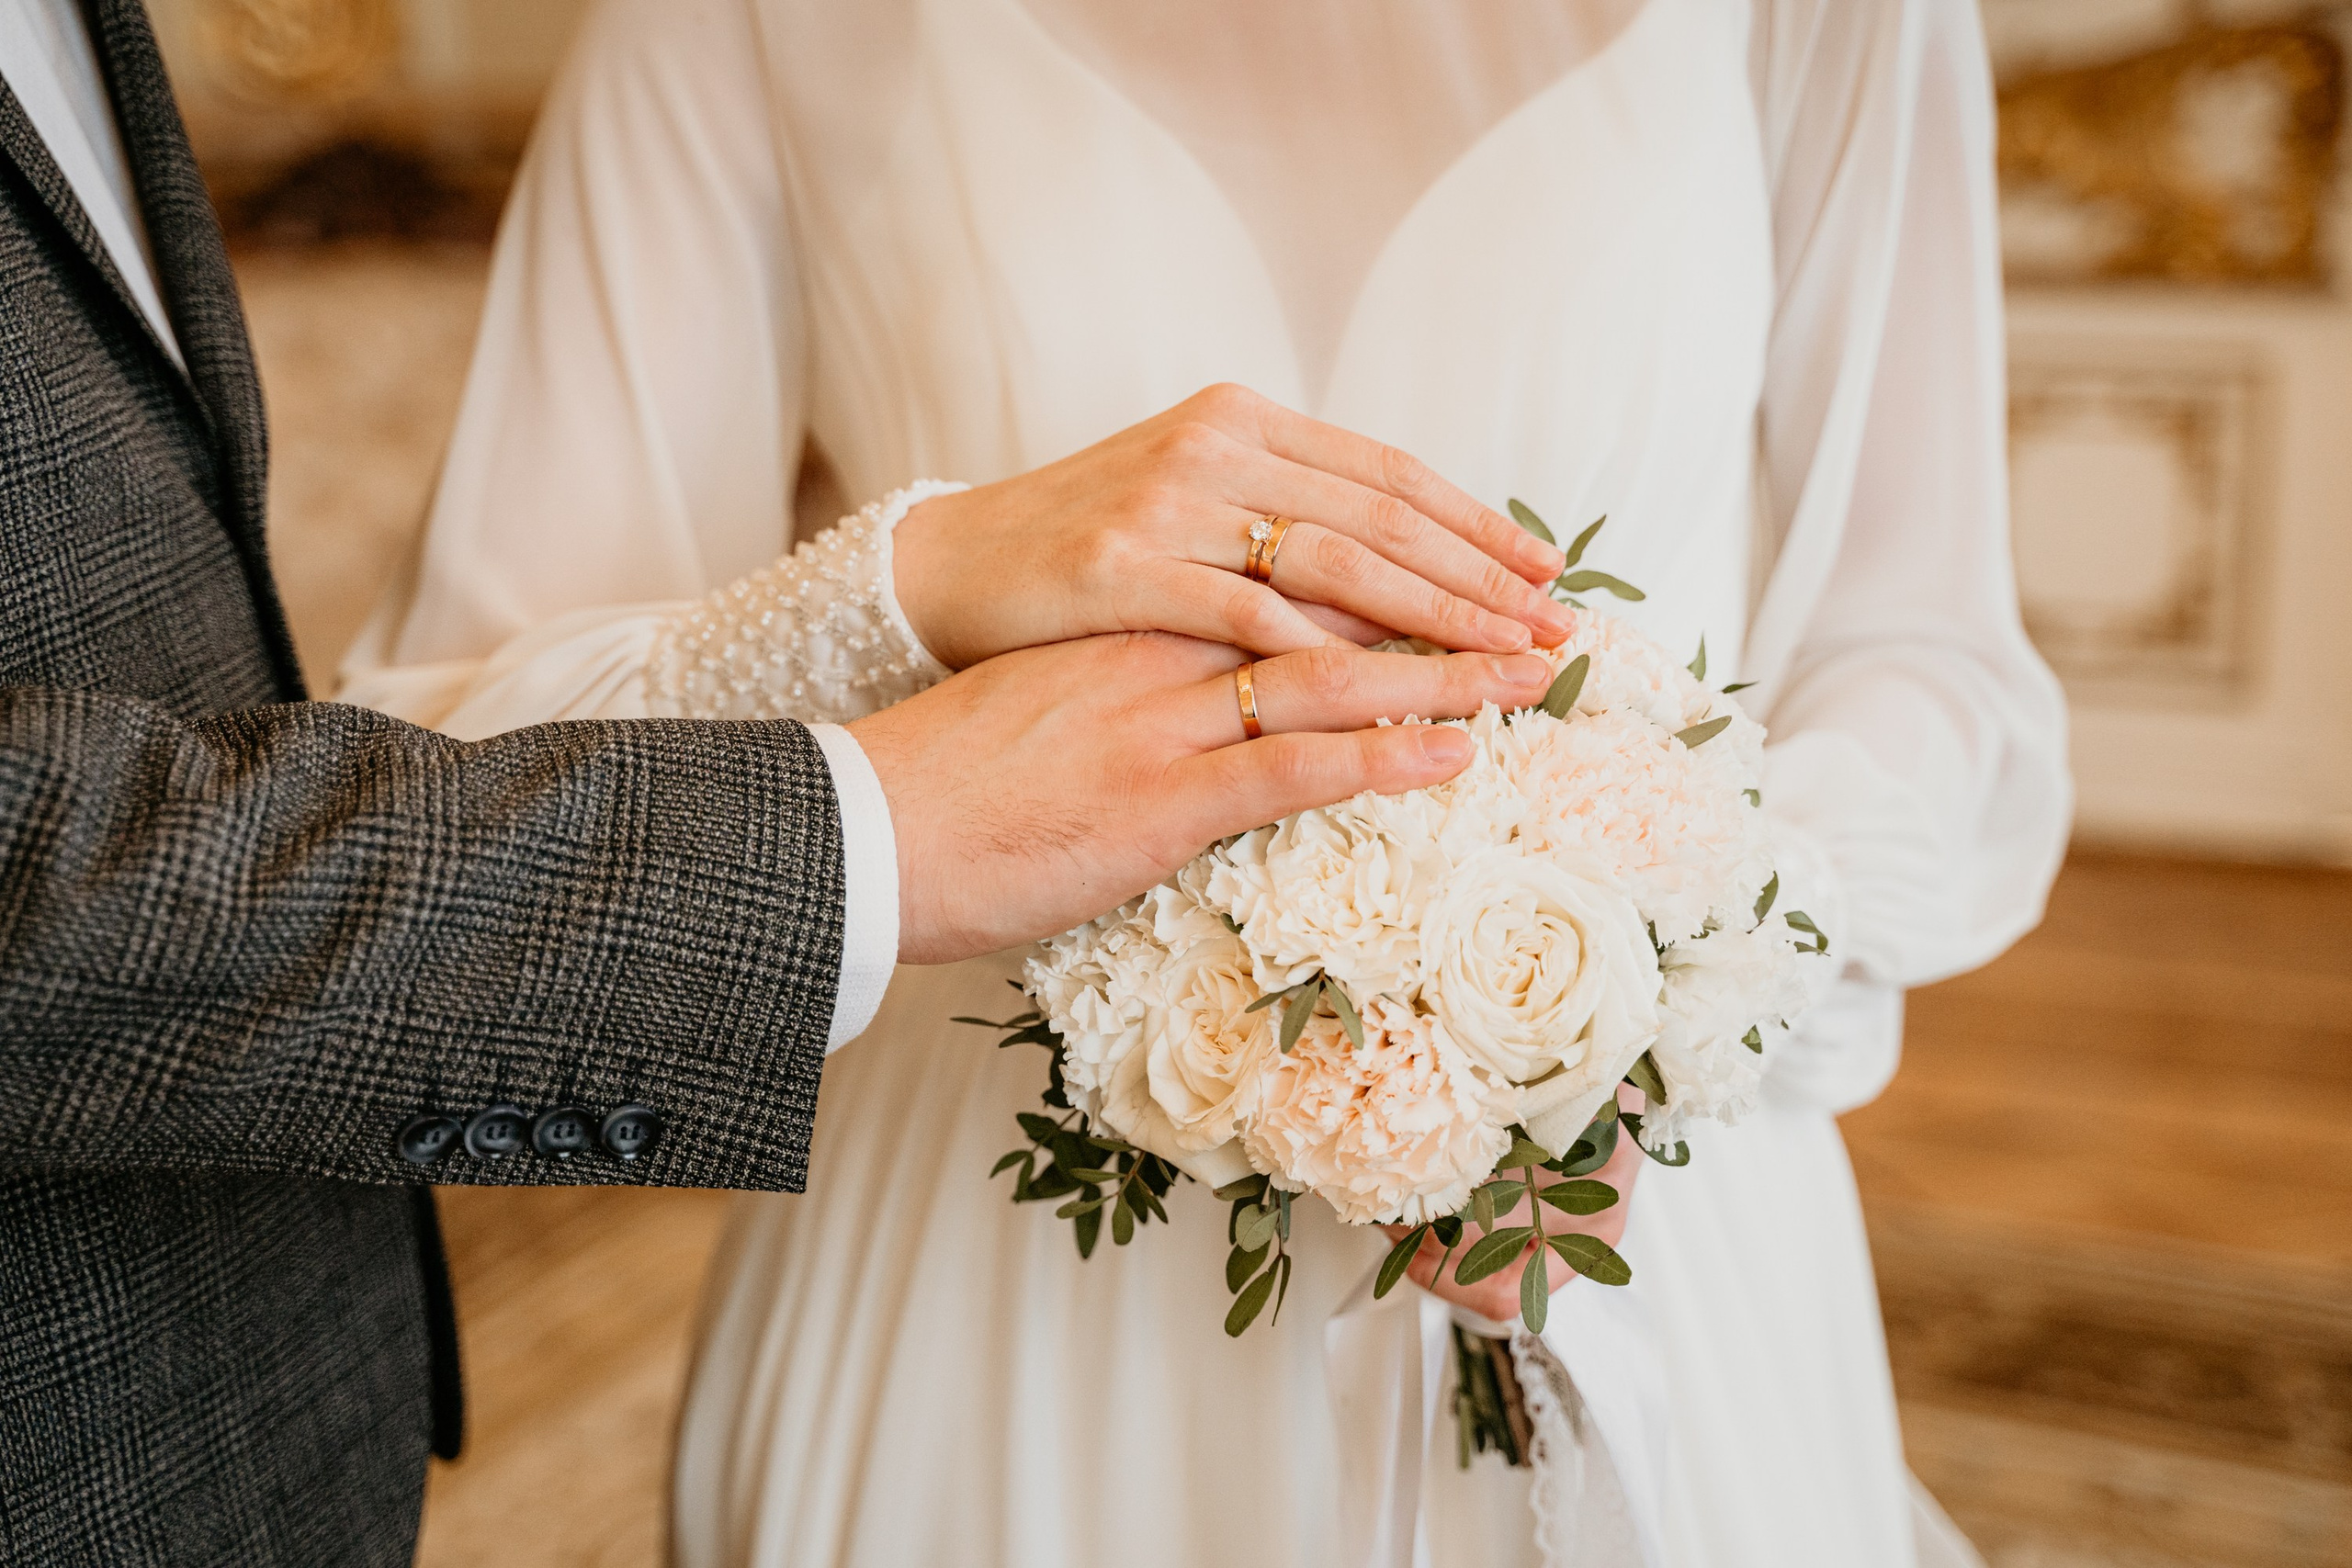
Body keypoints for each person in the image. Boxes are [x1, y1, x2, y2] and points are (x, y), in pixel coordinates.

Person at [343, 0, 2072, 1563]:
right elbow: (459, 758)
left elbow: (1928, 652)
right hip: (993, 1287)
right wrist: (914, 580)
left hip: (1628, 1214)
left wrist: (1659, 989)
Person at [0, 2, 1548, 1562]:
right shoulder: (744, 24)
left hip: (1598, 1251)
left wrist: (1617, 1049)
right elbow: (448, 728)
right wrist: (891, 604)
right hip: (976, 1306)